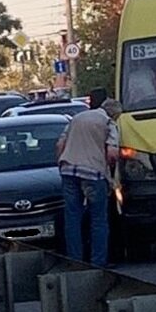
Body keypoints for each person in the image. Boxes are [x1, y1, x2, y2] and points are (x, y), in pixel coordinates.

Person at [56, 98, 122, 267]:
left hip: (68, 170)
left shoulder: (77, 118)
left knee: (72, 217)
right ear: (114, 114)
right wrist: (111, 174)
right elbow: (112, 154)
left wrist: (61, 164)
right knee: (98, 218)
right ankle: (98, 262)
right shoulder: (109, 123)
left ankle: (74, 261)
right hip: (93, 173)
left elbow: (60, 145)